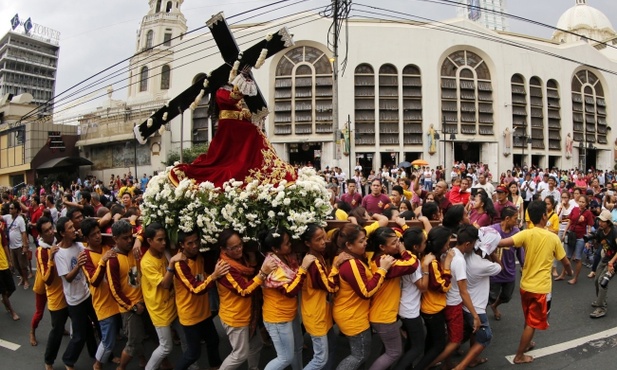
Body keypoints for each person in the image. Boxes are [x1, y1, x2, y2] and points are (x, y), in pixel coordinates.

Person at [169, 82, 297, 188]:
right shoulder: (220, 91)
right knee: (252, 134)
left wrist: (251, 114)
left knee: (254, 132)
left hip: (237, 126)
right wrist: (243, 82)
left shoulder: (228, 89)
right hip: (230, 127)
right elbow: (232, 99)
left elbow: (239, 107)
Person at [498, 200, 573, 364]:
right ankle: (519, 355)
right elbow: (565, 261)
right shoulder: (552, 237)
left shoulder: (526, 233)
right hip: (541, 288)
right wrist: (569, 273)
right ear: (544, 216)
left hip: (525, 285)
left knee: (528, 318)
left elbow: (503, 242)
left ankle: (528, 342)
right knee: (532, 322)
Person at [332, 223, 394, 369]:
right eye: (361, 241)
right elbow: (366, 292)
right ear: (349, 244)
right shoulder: (351, 263)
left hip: (354, 314)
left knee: (360, 355)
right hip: (353, 317)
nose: (365, 243)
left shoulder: (352, 257)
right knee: (359, 355)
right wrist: (382, 270)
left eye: (365, 239)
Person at [217, 229, 275, 370]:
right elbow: (244, 290)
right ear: (223, 249)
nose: (239, 249)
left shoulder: (240, 259)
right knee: (239, 355)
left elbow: (248, 276)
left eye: (240, 245)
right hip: (235, 317)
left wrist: (254, 262)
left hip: (247, 313)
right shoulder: (225, 267)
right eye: (234, 248)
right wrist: (262, 273)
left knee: (256, 345)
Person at [172, 229, 229, 370]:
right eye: (189, 243)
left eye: (196, 241)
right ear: (182, 245)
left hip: (204, 312)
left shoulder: (199, 256)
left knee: (213, 341)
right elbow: (195, 289)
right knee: (193, 354)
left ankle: (215, 366)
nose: (194, 245)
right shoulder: (180, 264)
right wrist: (214, 276)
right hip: (190, 316)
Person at [260, 227, 315, 370]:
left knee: (297, 347)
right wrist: (303, 269)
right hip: (277, 318)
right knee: (285, 357)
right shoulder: (272, 264)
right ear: (275, 248)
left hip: (290, 313)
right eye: (287, 243)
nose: (290, 245)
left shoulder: (287, 256)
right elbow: (290, 291)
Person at [367, 227, 419, 370]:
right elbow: (412, 264)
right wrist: (403, 250)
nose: (398, 244)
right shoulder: (386, 262)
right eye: (394, 242)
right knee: (394, 352)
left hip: (381, 314)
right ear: (382, 247)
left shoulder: (377, 257)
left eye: (398, 241)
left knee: (389, 349)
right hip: (384, 316)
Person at [139, 222, 189, 370]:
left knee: (186, 339)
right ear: (149, 241)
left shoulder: (164, 252)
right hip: (159, 310)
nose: (164, 242)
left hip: (173, 304)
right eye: (159, 240)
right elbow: (165, 284)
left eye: (164, 239)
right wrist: (172, 262)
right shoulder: (146, 262)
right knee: (166, 346)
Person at [430, 225, 481, 369]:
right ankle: (429, 365)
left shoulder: (448, 252)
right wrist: (475, 315)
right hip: (453, 305)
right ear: (467, 244)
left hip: (443, 301)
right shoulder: (459, 260)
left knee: (451, 336)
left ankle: (446, 363)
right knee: (455, 340)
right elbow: (463, 291)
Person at [454, 227, 502, 370]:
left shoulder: (463, 256)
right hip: (476, 308)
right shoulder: (482, 265)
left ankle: (468, 359)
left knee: (468, 332)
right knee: (485, 336)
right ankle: (461, 366)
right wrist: (492, 253)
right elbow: (500, 267)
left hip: (464, 304)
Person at [53, 216, 98, 370]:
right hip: (74, 300)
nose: (74, 229)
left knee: (96, 325)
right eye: (70, 228)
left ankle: (97, 354)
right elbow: (68, 278)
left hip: (86, 294)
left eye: (74, 226)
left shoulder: (78, 245)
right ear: (62, 233)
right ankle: (68, 360)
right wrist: (78, 265)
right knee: (79, 336)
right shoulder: (59, 253)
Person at [106, 220, 147, 370]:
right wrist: (133, 307)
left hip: (144, 302)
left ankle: (143, 359)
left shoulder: (134, 250)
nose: (130, 240)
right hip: (130, 309)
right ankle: (121, 367)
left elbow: (146, 224)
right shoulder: (112, 260)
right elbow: (114, 290)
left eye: (131, 236)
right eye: (125, 238)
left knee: (144, 335)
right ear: (115, 239)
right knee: (133, 342)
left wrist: (139, 239)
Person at [80, 218, 120, 370]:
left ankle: (108, 356)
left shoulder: (107, 246)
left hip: (117, 299)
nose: (98, 236)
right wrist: (103, 261)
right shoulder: (85, 256)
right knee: (108, 339)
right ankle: (98, 364)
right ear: (86, 238)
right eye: (93, 235)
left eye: (98, 232)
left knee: (114, 334)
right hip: (103, 303)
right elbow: (94, 281)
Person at [300, 224, 339, 370]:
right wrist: (336, 265)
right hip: (316, 315)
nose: (323, 242)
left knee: (331, 347)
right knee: (320, 359)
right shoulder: (313, 262)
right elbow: (330, 286)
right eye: (318, 239)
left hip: (322, 312)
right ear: (307, 243)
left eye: (324, 237)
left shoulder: (318, 256)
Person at [414, 226, 453, 370]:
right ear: (441, 244)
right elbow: (443, 287)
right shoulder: (433, 263)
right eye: (447, 242)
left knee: (431, 339)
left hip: (429, 306)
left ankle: (427, 364)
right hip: (433, 309)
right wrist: (447, 265)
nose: (449, 245)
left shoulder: (428, 257)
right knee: (439, 345)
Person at [394, 223, 433, 370]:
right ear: (416, 247)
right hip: (409, 310)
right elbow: (422, 287)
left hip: (405, 306)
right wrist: (426, 267)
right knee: (418, 346)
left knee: (410, 342)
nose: (426, 244)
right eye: (424, 242)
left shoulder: (406, 258)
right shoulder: (414, 263)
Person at [35, 217, 69, 370]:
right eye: (46, 230)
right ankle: (48, 361)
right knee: (56, 332)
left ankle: (98, 357)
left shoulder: (59, 240)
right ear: (41, 235)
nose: (51, 232)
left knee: (85, 326)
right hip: (56, 298)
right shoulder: (41, 251)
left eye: (51, 228)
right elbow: (47, 280)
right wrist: (51, 259)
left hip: (71, 294)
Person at [489, 207, 524, 321]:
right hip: (494, 272)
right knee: (491, 297)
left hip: (509, 272)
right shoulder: (492, 230)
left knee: (507, 296)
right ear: (507, 218)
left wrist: (524, 266)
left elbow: (520, 252)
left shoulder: (516, 232)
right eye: (515, 218)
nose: (517, 221)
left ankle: (495, 306)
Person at [557, 195, 594, 285]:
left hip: (580, 237)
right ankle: (563, 274)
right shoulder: (574, 209)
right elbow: (570, 221)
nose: (581, 203)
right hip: (572, 235)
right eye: (580, 201)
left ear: (586, 203)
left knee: (578, 258)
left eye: (583, 202)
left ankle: (575, 278)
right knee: (568, 256)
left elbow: (589, 227)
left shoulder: (588, 213)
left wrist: (588, 241)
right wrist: (565, 232)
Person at [589, 210, 617, 318]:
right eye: (599, 220)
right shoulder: (600, 231)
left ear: (608, 222)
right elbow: (598, 246)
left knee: (603, 282)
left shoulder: (614, 232)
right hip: (606, 258)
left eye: (603, 221)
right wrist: (591, 241)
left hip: (614, 261)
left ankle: (601, 308)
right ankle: (600, 301)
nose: (600, 223)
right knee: (596, 280)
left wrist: (611, 263)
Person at [3, 201, 29, 289]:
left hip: (19, 246)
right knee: (16, 265)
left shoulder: (20, 220)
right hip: (11, 247)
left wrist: (25, 246)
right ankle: (22, 277)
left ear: (16, 210)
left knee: (22, 266)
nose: (9, 210)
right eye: (9, 208)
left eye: (12, 208)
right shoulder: (7, 217)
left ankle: (26, 280)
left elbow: (24, 233)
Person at [0, 216, 19, 321]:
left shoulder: (0, 229)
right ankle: (12, 311)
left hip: (4, 264)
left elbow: (4, 245)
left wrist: (10, 260)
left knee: (11, 288)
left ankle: (4, 300)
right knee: (3, 290)